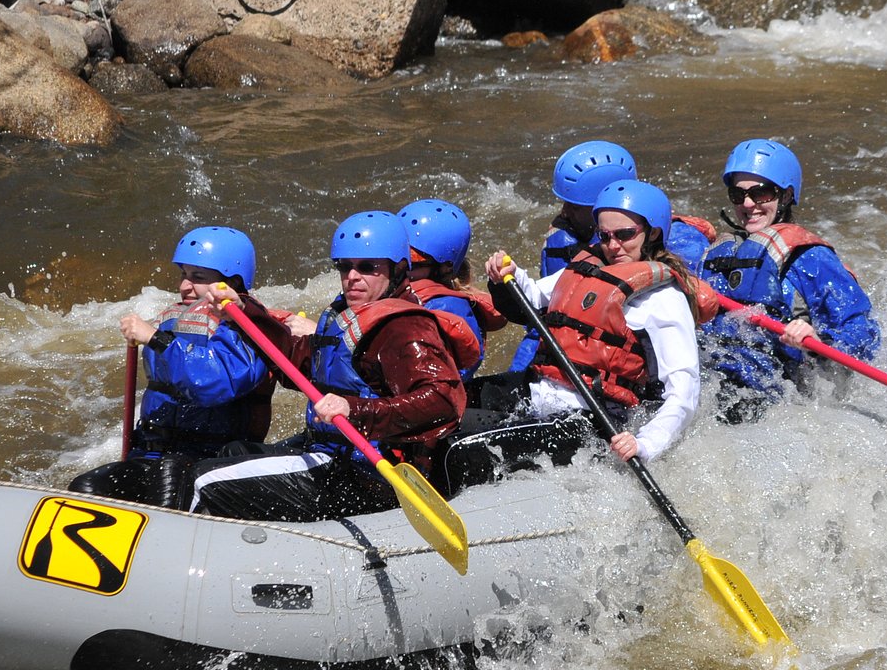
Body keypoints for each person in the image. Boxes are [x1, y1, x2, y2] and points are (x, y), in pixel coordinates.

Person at [187, 211, 471, 520]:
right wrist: (246, 311)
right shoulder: (346, 314)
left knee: (207, 479)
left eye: (367, 267)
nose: (352, 277)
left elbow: (442, 401)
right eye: (344, 267)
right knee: (234, 453)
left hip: (370, 473)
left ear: (399, 268)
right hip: (334, 454)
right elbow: (296, 361)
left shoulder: (404, 327)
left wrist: (354, 410)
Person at [485, 179, 715, 464]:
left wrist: (644, 444)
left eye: (625, 234)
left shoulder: (664, 299)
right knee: (458, 404)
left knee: (465, 450)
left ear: (653, 232)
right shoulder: (591, 267)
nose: (613, 246)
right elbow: (532, 296)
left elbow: (683, 393)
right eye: (604, 236)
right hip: (542, 394)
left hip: (593, 418)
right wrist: (508, 273)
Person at [68, 225, 274, 508]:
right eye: (184, 275)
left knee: (167, 480)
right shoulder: (175, 317)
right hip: (154, 451)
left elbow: (215, 382)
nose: (184, 286)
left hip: (208, 459)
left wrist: (155, 339)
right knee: (86, 487)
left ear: (233, 281)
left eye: (197, 277)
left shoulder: (247, 324)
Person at [699, 139, 880, 418]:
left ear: (785, 196)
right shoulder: (719, 255)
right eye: (738, 194)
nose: (748, 204)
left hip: (777, 393)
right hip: (714, 381)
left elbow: (864, 334)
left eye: (761, 194)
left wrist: (818, 339)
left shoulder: (811, 257)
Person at [508, 140, 717, 371]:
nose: (565, 212)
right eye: (566, 202)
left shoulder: (678, 242)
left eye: (575, 206)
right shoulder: (573, 240)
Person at [398, 198, 506, 381]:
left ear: (445, 267)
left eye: (411, 261)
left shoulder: (450, 308)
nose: (399, 268)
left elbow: (446, 379)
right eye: (393, 257)